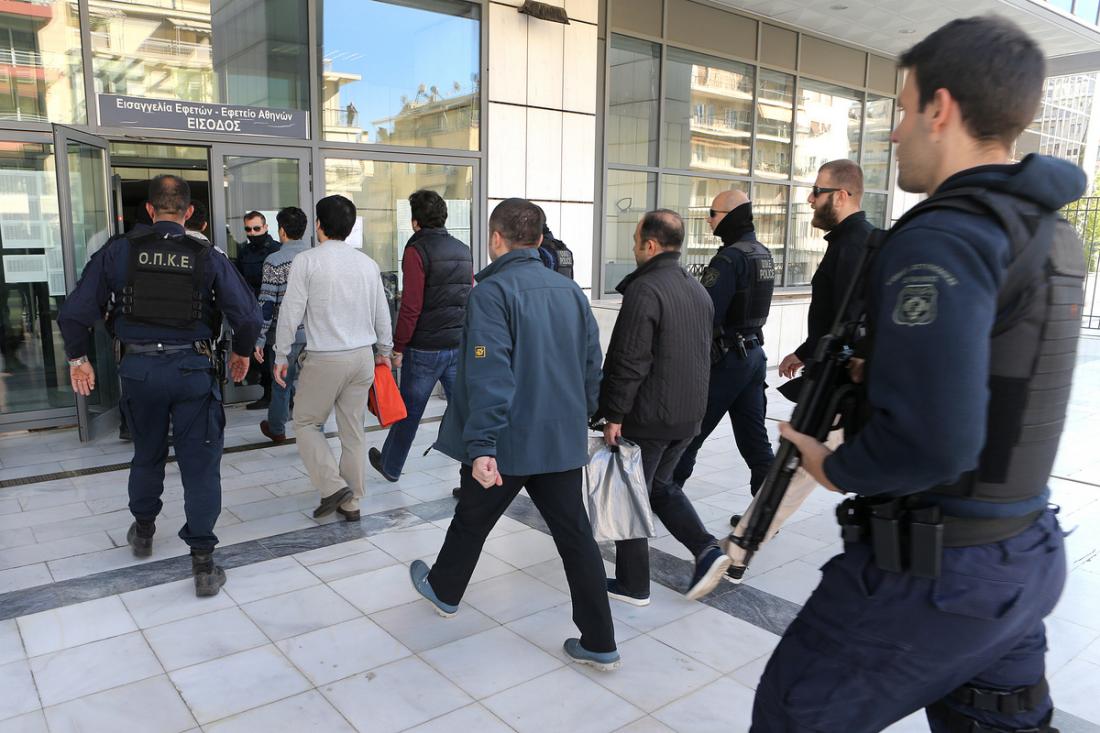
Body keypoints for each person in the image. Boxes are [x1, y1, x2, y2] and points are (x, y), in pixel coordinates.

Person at [755, 17, 1084, 732]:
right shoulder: (1050, 232)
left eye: (904, 111)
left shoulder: (944, 235)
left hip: (935, 573)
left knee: (790, 713)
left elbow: (934, 441)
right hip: (1021, 556)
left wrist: (834, 466)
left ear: (941, 109)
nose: (896, 134)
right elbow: (1003, 374)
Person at [408, 198, 619, 671]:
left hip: (507, 442)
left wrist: (482, 444)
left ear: (495, 239)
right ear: (539, 240)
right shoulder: (571, 292)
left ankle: (444, 589)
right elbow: (593, 364)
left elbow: (490, 373)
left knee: (473, 518)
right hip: (558, 439)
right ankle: (600, 640)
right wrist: (584, 413)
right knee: (575, 537)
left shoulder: (491, 292)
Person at [58, 175, 261, 597]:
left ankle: (144, 530)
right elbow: (248, 317)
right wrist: (242, 353)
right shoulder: (206, 254)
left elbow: (74, 313)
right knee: (199, 464)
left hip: (139, 372)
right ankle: (203, 562)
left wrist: (79, 359)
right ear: (189, 212)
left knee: (147, 453)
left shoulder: (119, 250)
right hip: (192, 372)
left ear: (150, 210)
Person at [596, 209, 730, 603]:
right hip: (688, 414)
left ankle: (633, 584)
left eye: (636, 241)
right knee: (660, 487)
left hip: (650, 416)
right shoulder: (697, 289)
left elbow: (629, 359)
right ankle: (707, 550)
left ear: (650, 245)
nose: (633, 248)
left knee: (631, 493)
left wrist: (613, 414)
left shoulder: (645, 289)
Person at [273, 195, 394, 523]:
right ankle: (352, 502)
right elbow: (382, 314)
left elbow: (291, 312)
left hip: (325, 358)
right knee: (353, 431)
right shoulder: (367, 264)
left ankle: (333, 486)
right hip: (362, 358)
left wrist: (281, 353)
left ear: (319, 225)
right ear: (350, 227)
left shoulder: (308, 261)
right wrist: (384, 352)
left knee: (306, 422)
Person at [670, 189, 776, 501]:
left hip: (727, 360)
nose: (709, 219)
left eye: (713, 213)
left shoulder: (729, 259)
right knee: (756, 442)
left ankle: (665, 497)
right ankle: (767, 513)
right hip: (753, 356)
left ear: (731, 217)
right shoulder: (762, 253)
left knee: (689, 435)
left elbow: (707, 314)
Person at [368, 190, 472, 481]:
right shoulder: (463, 249)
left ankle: (391, 465)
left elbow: (411, 306)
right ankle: (471, 478)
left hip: (425, 348)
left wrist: (398, 347)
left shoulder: (417, 251)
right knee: (464, 411)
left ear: (415, 221)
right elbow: (468, 297)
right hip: (457, 344)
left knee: (410, 411)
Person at [777, 160, 874, 379]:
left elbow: (849, 325)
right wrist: (805, 352)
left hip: (838, 379)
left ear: (840, 197)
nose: (810, 199)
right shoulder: (851, 240)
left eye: (817, 191)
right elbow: (834, 318)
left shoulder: (852, 246)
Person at [255, 206, 310, 444]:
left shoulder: (274, 261)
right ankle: (313, 430)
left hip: (284, 335)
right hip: (314, 336)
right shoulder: (315, 258)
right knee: (312, 386)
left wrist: (259, 337)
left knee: (281, 383)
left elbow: (267, 303)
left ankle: (277, 429)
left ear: (282, 231)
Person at [235, 210, 281, 410]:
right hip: (252, 309)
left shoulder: (277, 250)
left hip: (272, 310)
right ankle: (268, 393)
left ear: (265, 227)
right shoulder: (244, 251)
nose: (252, 233)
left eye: (256, 228)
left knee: (272, 353)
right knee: (258, 354)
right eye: (248, 229)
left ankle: (279, 395)